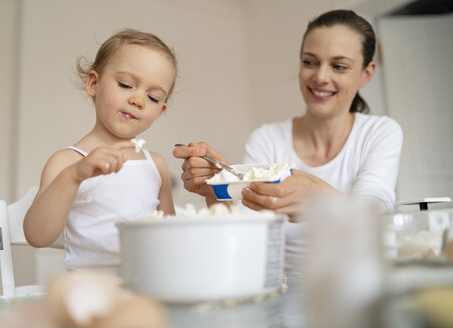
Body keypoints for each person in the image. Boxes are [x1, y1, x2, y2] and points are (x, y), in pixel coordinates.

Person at [173, 10, 403, 268]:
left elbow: (376, 218)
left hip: (353, 284)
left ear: (366, 74)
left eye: (338, 66)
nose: (321, 77)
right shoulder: (266, 139)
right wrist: (217, 191)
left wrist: (320, 199)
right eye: (310, 62)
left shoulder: (381, 133)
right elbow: (246, 238)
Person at [24, 29, 177, 274]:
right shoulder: (67, 162)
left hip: (145, 289)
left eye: (153, 97)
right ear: (94, 83)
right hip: (90, 292)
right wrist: (73, 176)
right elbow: (37, 236)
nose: (138, 100)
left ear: (159, 111)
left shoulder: (156, 166)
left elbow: (170, 242)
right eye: (126, 85)